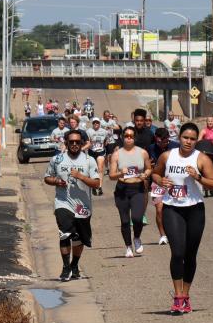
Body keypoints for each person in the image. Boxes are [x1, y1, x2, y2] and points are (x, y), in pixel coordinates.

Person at [151, 123, 213, 314]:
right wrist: (160, 180)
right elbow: (155, 173)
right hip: (172, 208)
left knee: (190, 255)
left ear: (196, 140)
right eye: (185, 137)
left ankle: (186, 296)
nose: (188, 142)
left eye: (192, 139)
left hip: (195, 210)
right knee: (178, 252)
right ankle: (177, 296)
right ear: (179, 137)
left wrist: (198, 177)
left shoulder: (202, 159)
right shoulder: (167, 156)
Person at [44, 129, 102, 282]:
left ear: (82, 143)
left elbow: (96, 183)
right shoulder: (57, 159)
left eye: (78, 142)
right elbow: (47, 177)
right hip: (62, 202)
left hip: (82, 206)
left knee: (79, 239)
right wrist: (56, 181)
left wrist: (81, 176)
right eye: (71, 142)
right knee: (64, 233)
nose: (75, 144)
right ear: (66, 143)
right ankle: (65, 268)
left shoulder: (89, 160)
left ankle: (74, 265)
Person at [108, 127, 153, 258]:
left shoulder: (142, 153)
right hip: (122, 189)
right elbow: (111, 175)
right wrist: (120, 172)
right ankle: (128, 247)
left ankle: (137, 238)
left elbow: (149, 168)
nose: (129, 138)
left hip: (137, 188)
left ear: (135, 138)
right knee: (125, 221)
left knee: (137, 218)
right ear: (122, 137)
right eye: (126, 135)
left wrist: (145, 174)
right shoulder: (117, 154)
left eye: (131, 136)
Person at [148, 127, 180, 243]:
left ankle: (176, 232)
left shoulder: (176, 146)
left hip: (175, 182)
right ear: (157, 139)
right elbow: (148, 165)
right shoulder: (151, 148)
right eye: (161, 141)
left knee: (177, 209)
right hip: (157, 182)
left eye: (166, 141)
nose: (163, 144)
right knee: (159, 209)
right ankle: (163, 235)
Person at [88, 118, 109, 196]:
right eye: (94, 123)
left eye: (97, 123)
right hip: (92, 152)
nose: (96, 124)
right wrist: (90, 144)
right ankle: (93, 186)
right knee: (93, 169)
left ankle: (99, 187)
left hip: (101, 152)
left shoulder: (104, 131)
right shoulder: (89, 131)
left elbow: (107, 139)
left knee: (100, 168)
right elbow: (87, 141)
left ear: (99, 123)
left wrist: (104, 144)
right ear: (93, 123)